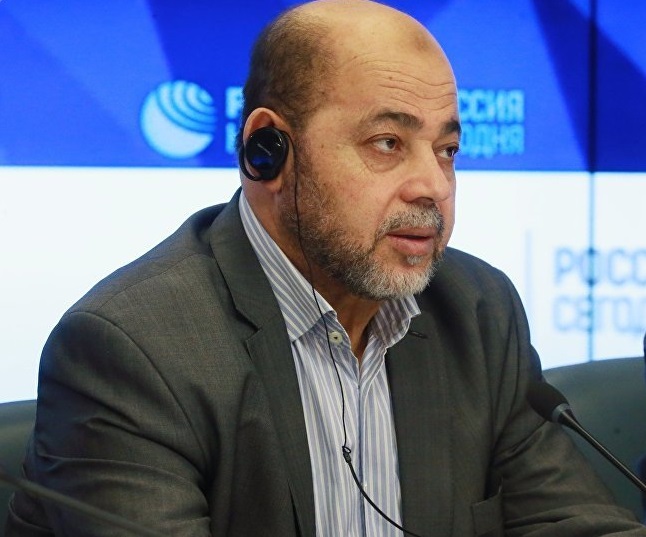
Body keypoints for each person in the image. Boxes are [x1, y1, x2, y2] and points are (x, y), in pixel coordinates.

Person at [6, 1, 646, 535]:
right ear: (269, 152)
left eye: (447, 149)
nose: (434, 185)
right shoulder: (131, 350)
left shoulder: (478, 311)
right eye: (387, 143)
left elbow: (570, 522)